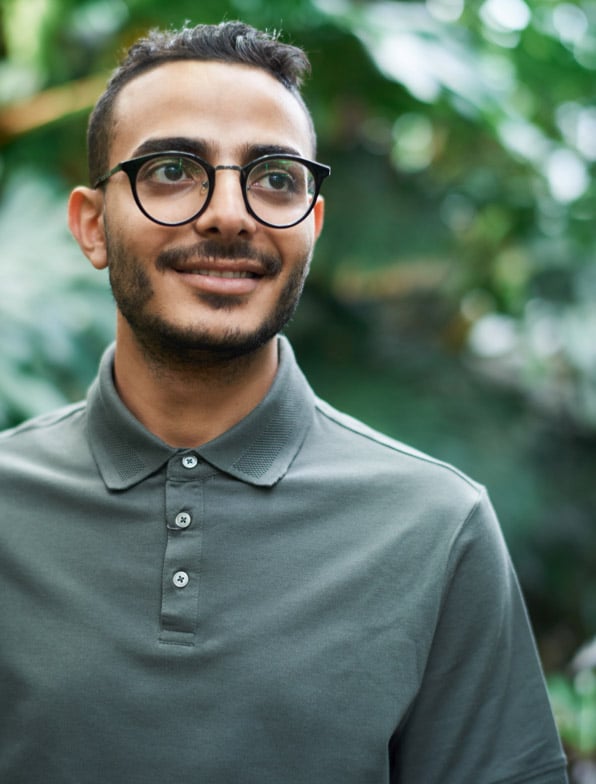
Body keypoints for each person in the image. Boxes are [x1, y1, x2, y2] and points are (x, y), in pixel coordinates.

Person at [0, 20, 568, 784]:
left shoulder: (437, 526)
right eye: (172, 169)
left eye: (274, 179)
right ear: (92, 226)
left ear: (312, 224)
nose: (230, 213)